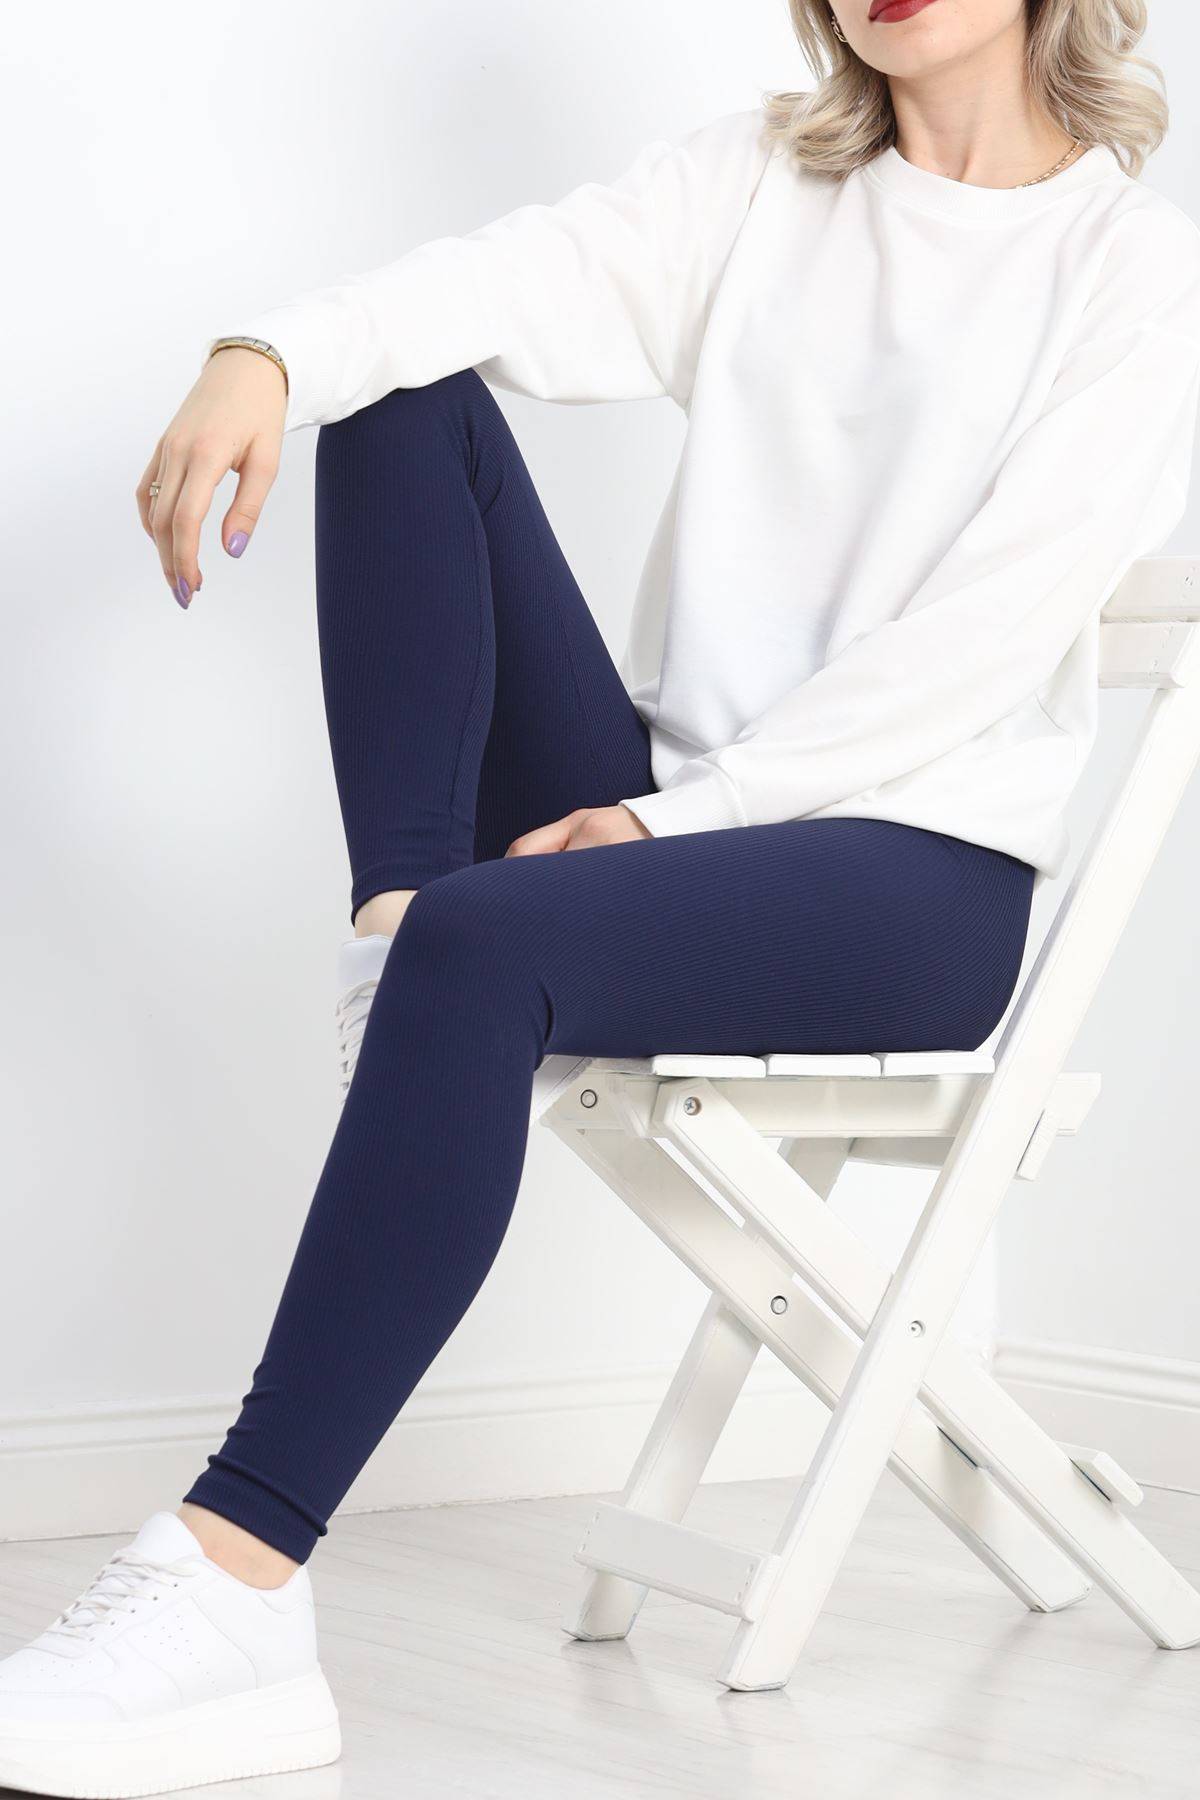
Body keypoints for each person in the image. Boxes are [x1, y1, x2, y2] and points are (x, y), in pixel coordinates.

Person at [4, 1, 1199, 1793]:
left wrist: (677, 821)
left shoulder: (1131, 272)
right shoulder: (769, 181)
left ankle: (236, 1583)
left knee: (497, 947)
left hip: (912, 876)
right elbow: (488, 284)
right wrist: (264, 353)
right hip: (680, 817)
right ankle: (401, 935)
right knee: (396, 390)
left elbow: (974, 648)